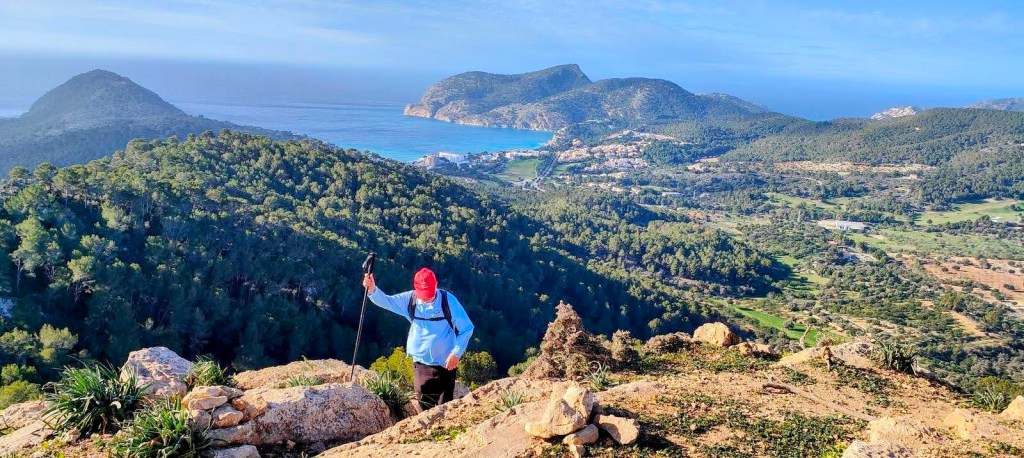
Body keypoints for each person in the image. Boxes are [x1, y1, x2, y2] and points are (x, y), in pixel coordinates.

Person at [363, 267, 474, 409]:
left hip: (446, 364)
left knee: (446, 408)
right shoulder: (411, 299)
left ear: (436, 285)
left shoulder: (448, 301)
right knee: (424, 408)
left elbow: (466, 328)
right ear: (415, 289)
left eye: (429, 293)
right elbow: (387, 302)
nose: (427, 298)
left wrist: (456, 353)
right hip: (422, 364)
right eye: (423, 294)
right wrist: (372, 289)